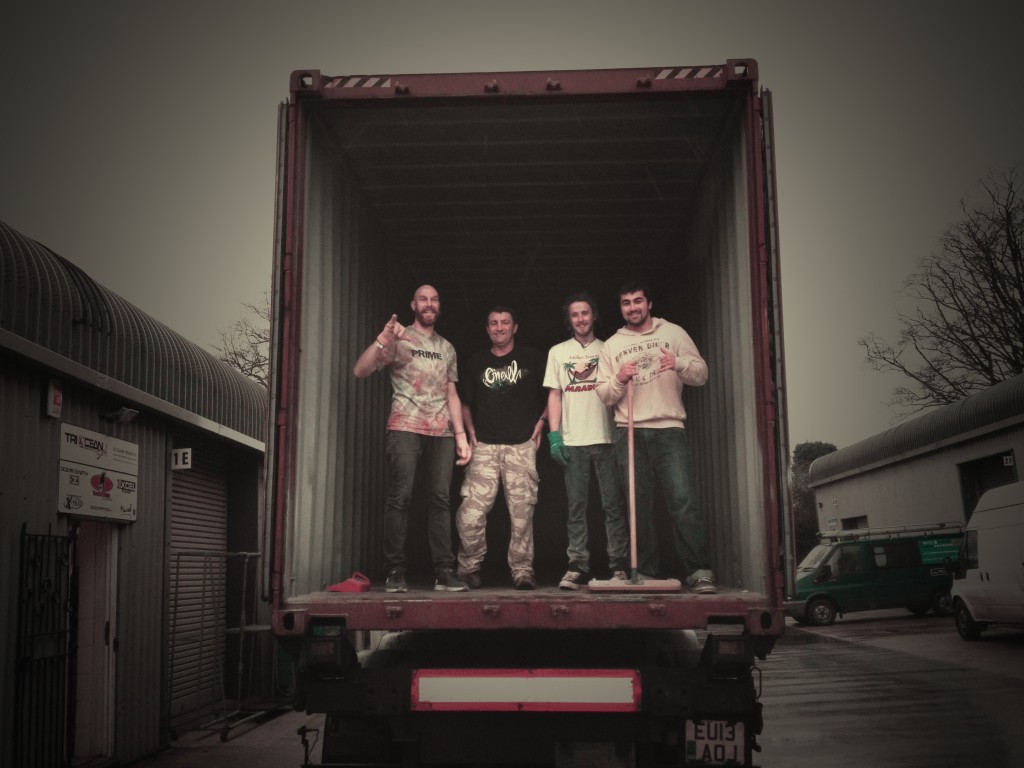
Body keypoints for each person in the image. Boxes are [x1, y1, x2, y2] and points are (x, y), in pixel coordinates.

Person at [595, 280, 717, 594]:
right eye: (626, 302)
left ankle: (699, 571)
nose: (632, 307)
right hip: (630, 430)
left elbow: (701, 374)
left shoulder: (673, 334)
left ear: (649, 303)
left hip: (668, 429)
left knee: (682, 501)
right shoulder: (612, 345)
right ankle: (647, 572)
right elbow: (605, 394)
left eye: (638, 300)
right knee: (638, 505)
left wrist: (676, 363)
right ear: (620, 308)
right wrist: (620, 378)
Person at [353, 284, 471, 593]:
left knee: (440, 500)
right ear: (413, 305)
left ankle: (445, 572)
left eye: (434, 299)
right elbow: (361, 370)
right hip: (405, 426)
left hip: (442, 432)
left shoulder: (447, 348)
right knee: (400, 498)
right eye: (423, 299)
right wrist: (383, 339)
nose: (429, 304)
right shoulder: (400, 339)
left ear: (438, 306)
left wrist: (460, 434)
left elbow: (451, 392)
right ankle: (394, 571)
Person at [456, 306, 547, 590]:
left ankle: (522, 571)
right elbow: (464, 401)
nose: (499, 327)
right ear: (487, 329)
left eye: (505, 322)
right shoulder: (476, 362)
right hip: (484, 446)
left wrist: (543, 422)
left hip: (521, 445)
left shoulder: (533, 358)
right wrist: (469, 432)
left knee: (522, 514)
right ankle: (469, 568)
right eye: (493, 323)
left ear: (515, 327)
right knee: (471, 512)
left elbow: (555, 392)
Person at [543, 292, 629, 589]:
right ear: (569, 320)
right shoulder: (558, 352)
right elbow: (555, 394)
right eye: (575, 315)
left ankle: (618, 565)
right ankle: (577, 565)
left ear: (594, 316)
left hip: (607, 438)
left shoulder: (609, 348)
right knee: (576, 507)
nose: (580, 319)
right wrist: (554, 437)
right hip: (574, 440)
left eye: (585, 313)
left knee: (613, 506)